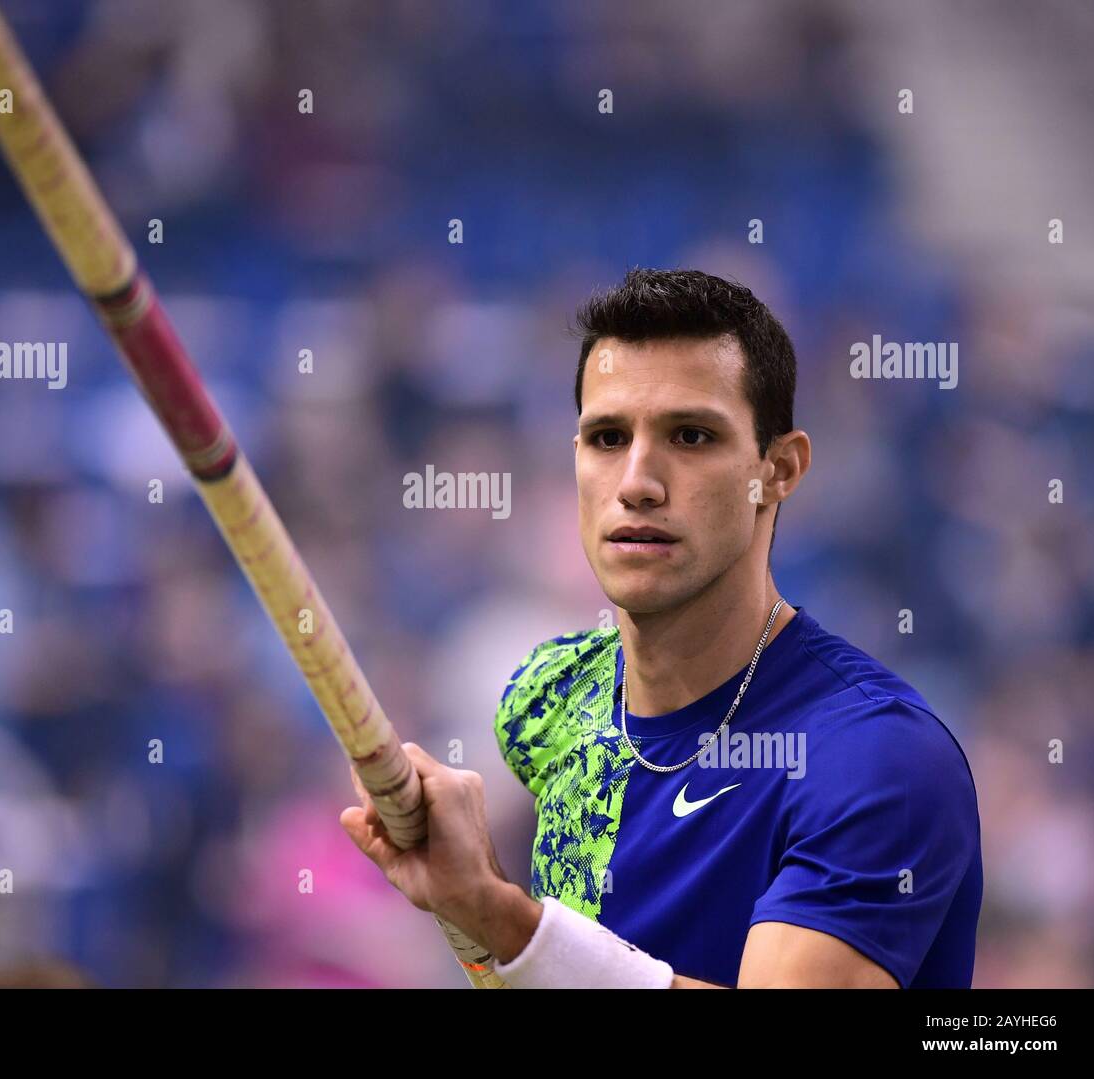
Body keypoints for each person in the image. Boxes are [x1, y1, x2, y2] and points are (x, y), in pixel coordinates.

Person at [341, 269, 982, 988]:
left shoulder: (878, 757)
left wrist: (501, 914)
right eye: (607, 436)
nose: (638, 481)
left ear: (778, 469)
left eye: (691, 434)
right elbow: (544, 966)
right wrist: (476, 894)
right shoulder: (550, 697)